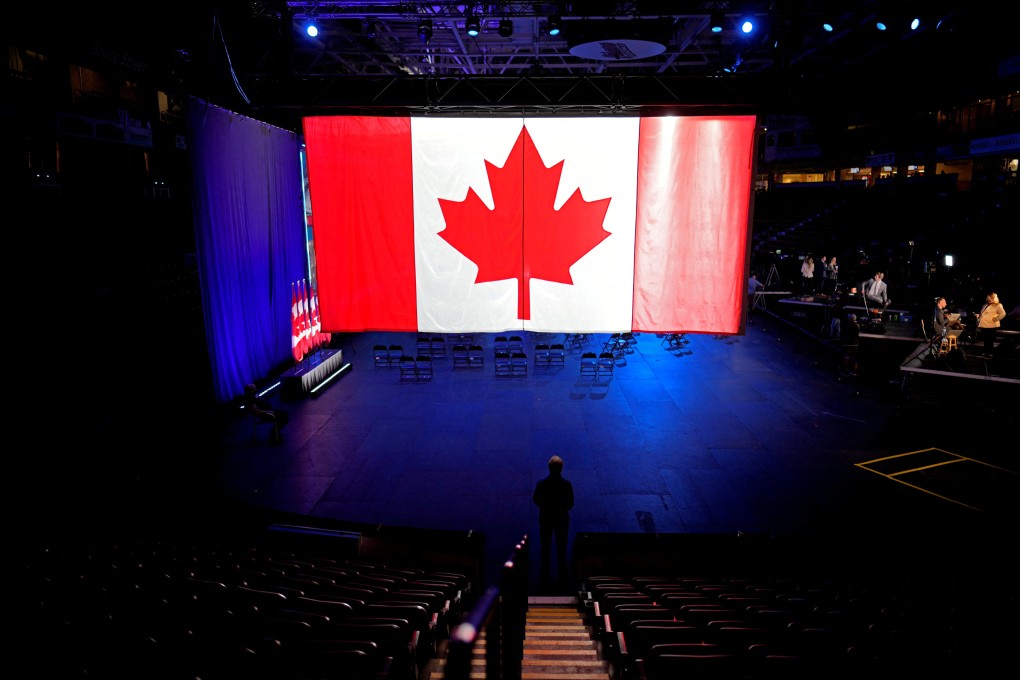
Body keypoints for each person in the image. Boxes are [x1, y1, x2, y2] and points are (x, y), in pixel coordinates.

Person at [533, 455, 574, 591]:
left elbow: (536, 500)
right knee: (561, 548)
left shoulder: (541, 483)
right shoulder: (566, 484)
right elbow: (570, 503)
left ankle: (544, 579)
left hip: (546, 517)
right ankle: (563, 580)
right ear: (561, 468)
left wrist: (546, 506)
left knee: (545, 547)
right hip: (561, 518)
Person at [975, 292, 1006, 357]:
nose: (988, 298)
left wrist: (995, 319)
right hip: (984, 325)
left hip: (991, 325)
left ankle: (990, 353)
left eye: (989, 297)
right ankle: (985, 352)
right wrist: (978, 316)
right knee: (986, 340)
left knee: (990, 340)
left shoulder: (998, 305)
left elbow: (1003, 314)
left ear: (993, 298)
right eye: (987, 297)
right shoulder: (985, 305)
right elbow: (983, 314)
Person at [840, 313, 860, 378]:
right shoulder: (857, 326)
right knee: (854, 358)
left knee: (846, 357)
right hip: (855, 344)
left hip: (847, 343)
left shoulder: (845, 325)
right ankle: (854, 371)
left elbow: (842, 333)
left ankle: (846, 371)